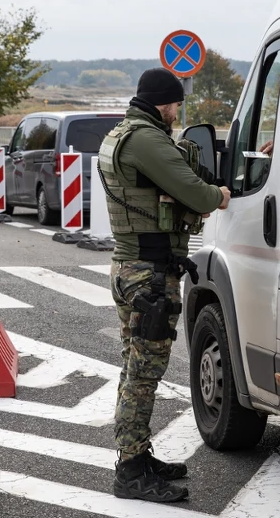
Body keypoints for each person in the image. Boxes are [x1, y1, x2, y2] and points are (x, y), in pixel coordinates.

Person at [97, 67, 231, 503]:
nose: (176, 111)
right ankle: (131, 473)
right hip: (148, 276)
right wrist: (220, 195)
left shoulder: (121, 133)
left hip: (130, 267)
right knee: (143, 374)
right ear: (162, 102)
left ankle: (135, 456)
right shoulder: (146, 140)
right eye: (175, 104)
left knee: (134, 368)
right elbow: (198, 193)